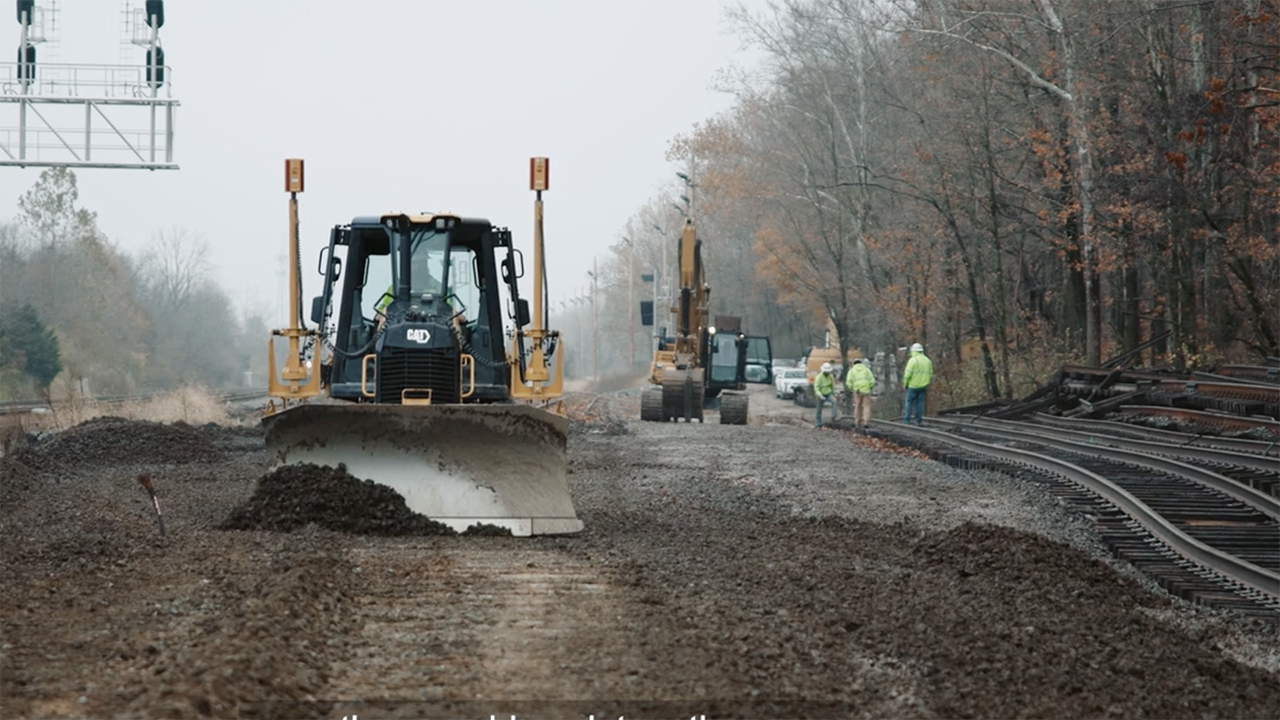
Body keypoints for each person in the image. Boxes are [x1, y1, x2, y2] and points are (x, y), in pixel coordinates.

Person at [902, 342, 933, 425]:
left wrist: (905, 384)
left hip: (912, 386)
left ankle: (906, 420)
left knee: (909, 402)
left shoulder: (913, 360)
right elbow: (930, 374)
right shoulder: (928, 361)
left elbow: (907, 375)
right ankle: (918, 420)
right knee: (920, 403)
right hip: (923, 386)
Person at [845, 358, 876, 432]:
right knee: (866, 406)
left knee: (857, 406)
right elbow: (872, 381)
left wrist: (852, 389)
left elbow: (849, 382)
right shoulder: (866, 370)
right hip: (866, 390)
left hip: (857, 390)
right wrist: (870, 388)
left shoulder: (852, 371)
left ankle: (857, 422)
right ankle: (866, 422)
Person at [813, 362, 839, 428]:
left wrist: (834, 393)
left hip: (828, 393)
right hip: (820, 395)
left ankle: (833, 417)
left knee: (834, 401)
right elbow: (816, 387)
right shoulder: (819, 377)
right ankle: (817, 424)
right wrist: (819, 395)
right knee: (819, 409)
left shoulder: (830, 376)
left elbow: (832, 386)